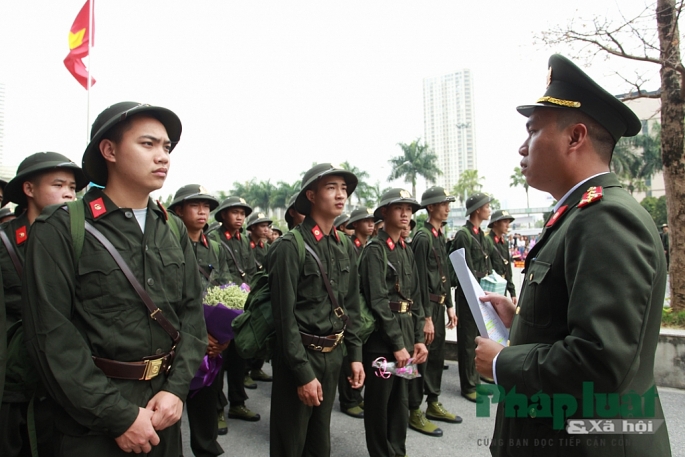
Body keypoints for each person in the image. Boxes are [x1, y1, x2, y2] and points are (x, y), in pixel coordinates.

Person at [474, 54, 671, 456]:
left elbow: (599, 360)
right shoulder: (577, 213)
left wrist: (502, 364)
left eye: (532, 131)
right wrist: (522, 321)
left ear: (575, 137)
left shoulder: (606, 218)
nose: (521, 147)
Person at [22, 101, 208, 456]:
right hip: (91, 422)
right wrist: (118, 416)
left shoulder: (171, 228)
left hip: (163, 410)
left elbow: (191, 316)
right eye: (148, 144)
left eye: (166, 147)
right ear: (109, 150)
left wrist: (176, 389)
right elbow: (51, 336)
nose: (163, 156)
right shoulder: (62, 228)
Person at [267, 163, 364, 457]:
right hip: (301, 356)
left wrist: (355, 356)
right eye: (331, 187)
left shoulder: (345, 245)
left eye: (344, 189)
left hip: (333, 356)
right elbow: (284, 320)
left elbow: (351, 307)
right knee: (291, 443)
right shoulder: (290, 246)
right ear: (311, 195)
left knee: (319, 443)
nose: (341, 195)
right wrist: (302, 373)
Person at [0, 152, 88, 457]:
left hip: (71, 378)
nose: (68, 193)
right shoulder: (5, 242)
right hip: (19, 380)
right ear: (29, 189)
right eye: (59, 184)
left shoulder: (85, 241)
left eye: (73, 187)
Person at [360, 188, 428, 457]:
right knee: (379, 403)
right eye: (399, 208)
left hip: (406, 338)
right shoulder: (375, 251)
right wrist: (398, 345)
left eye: (409, 209)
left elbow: (415, 297)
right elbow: (378, 302)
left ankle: (397, 451)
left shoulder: (405, 249)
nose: (405, 214)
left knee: (400, 401)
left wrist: (418, 340)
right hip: (382, 344)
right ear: (384, 212)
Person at [169, 184, 231, 453]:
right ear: (179, 210)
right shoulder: (167, 245)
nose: (203, 211)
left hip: (211, 344)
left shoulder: (216, 249)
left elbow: (229, 292)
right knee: (169, 411)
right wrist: (192, 333)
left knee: (206, 408)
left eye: (206, 206)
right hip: (175, 341)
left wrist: (224, 338)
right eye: (195, 205)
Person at [408, 186, 460, 438]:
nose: (447, 207)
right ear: (430, 207)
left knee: (437, 356)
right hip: (426, 309)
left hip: (439, 307)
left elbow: (445, 275)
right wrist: (426, 317)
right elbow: (417, 280)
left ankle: (433, 402)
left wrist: (450, 306)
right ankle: (414, 409)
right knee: (422, 358)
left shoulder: (439, 236)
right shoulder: (422, 237)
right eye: (443, 203)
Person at [207, 197, 262, 418]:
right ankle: (218, 409)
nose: (239, 217)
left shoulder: (242, 240)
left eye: (242, 213)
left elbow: (249, 270)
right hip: (222, 306)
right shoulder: (214, 239)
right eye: (234, 212)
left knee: (239, 358)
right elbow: (216, 274)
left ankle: (238, 403)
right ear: (223, 215)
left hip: (242, 306)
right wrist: (236, 291)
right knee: (219, 361)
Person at [448, 192, 492, 402]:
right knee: (467, 341)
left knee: (480, 338)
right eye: (486, 206)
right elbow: (460, 269)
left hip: (480, 294)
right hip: (467, 295)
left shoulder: (481, 234)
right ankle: (468, 386)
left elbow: (486, 263)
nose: (489, 209)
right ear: (477, 209)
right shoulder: (464, 235)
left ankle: (477, 380)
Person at [337, 206, 375, 419]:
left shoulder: (367, 247)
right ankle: (348, 398)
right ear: (355, 224)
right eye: (365, 220)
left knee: (360, 353)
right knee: (350, 353)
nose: (370, 224)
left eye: (372, 220)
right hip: (352, 307)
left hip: (363, 308)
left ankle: (356, 394)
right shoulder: (349, 247)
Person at [486, 210, 517, 306]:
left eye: (508, 222)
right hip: (490, 288)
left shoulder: (504, 243)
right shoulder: (487, 241)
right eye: (505, 222)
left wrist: (512, 291)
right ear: (495, 223)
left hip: (502, 287)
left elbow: (507, 269)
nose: (507, 225)